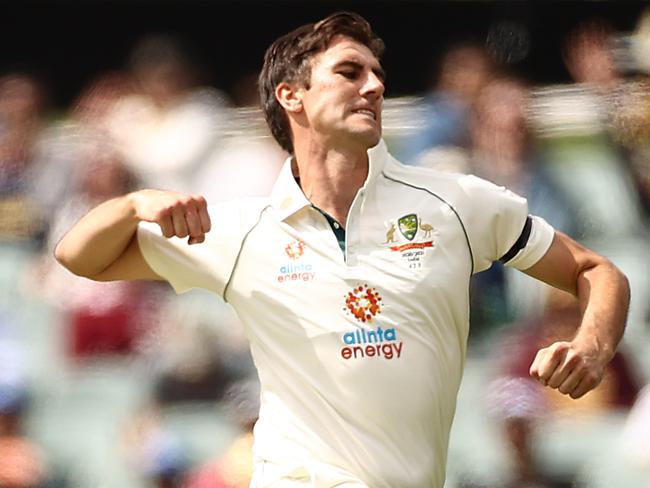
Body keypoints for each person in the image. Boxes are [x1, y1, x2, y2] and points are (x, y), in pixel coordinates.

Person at [54, 12, 630, 488]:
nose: (375, 86)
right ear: (291, 96)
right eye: (350, 72)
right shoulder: (241, 230)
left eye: (378, 74)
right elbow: (78, 256)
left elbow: (594, 270)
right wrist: (132, 205)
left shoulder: (456, 202)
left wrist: (593, 346)